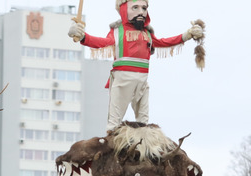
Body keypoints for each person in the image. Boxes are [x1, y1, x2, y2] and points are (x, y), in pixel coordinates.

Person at [68, 0, 204, 131]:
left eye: (144, 8)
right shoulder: (117, 30)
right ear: (124, 9)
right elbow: (101, 42)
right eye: (135, 7)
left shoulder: (147, 33)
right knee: (114, 123)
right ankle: (110, 146)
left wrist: (188, 34)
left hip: (143, 81)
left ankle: (142, 147)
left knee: (143, 122)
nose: (141, 12)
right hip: (122, 80)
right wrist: (82, 37)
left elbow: (164, 42)